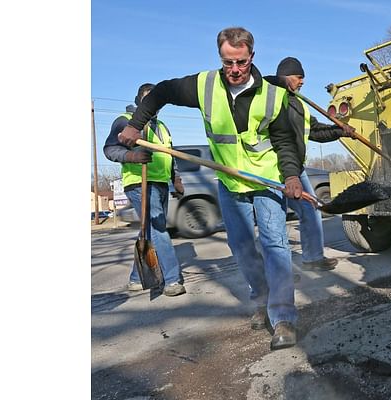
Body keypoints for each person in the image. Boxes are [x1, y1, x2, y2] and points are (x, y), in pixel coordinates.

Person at [117, 27, 306, 351]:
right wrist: (136, 124)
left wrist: (290, 176)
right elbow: (161, 91)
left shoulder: (273, 95)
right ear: (221, 58)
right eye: (228, 62)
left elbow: (285, 141)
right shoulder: (205, 87)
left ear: (252, 58)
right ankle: (261, 299)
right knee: (243, 249)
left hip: (266, 180)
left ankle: (284, 317)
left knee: (276, 246)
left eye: (241, 62)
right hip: (231, 185)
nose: (234, 70)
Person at [265, 57, 356, 272]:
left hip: (296, 167)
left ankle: (313, 258)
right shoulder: (269, 96)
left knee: (311, 208)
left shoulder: (298, 105)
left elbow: (316, 131)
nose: (303, 81)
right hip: (271, 167)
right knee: (274, 220)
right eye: (299, 77)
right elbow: (264, 80)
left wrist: (341, 130)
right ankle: (280, 273)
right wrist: (279, 83)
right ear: (285, 76)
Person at [103, 83, 187, 297]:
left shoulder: (162, 126)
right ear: (139, 100)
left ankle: (135, 279)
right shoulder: (125, 121)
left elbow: (169, 154)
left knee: (148, 231)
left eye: (156, 100)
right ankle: (171, 280)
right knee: (158, 229)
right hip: (139, 183)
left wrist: (175, 178)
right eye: (148, 99)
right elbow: (110, 149)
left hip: (160, 182)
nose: (153, 105)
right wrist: (132, 156)